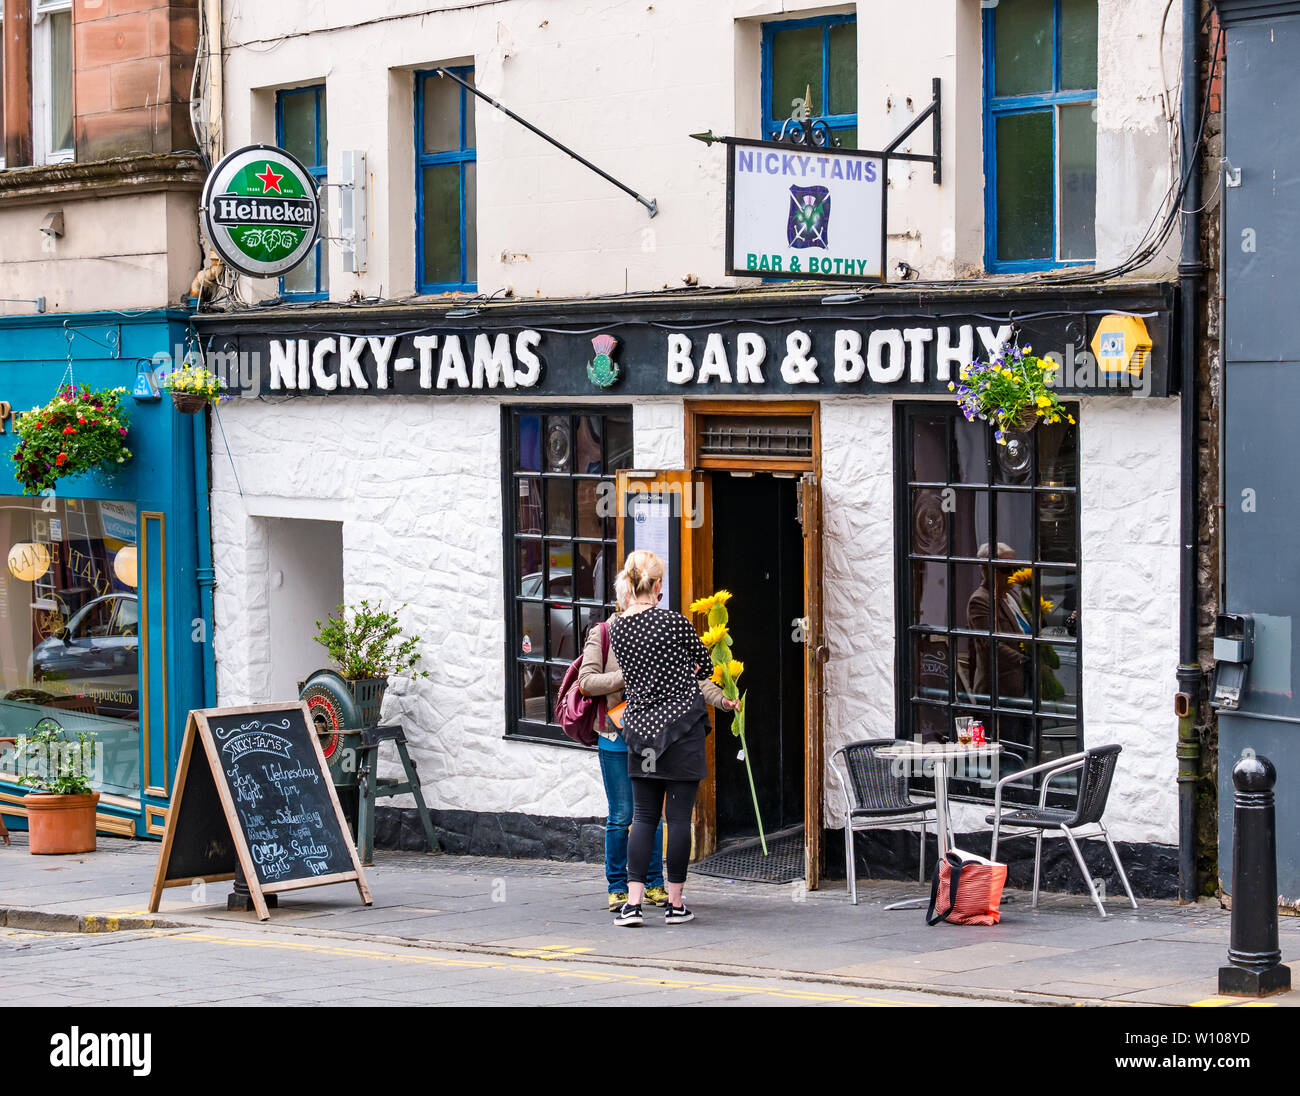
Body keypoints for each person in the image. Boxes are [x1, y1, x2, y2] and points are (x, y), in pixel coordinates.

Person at [607, 550, 736, 927]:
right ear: (658, 584)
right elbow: (704, 663)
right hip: (681, 729)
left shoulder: (617, 627)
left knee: (644, 818)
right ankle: (675, 904)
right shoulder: (674, 622)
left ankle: (632, 905)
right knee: (678, 819)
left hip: (641, 731)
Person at [577, 577, 670, 912]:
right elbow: (586, 682)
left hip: (649, 736)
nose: (654, 601)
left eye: (657, 596)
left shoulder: (657, 630)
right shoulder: (604, 632)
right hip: (615, 735)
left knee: (653, 815)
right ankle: (617, 886)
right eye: (650, 595)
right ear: (629, 597)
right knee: (621, 814)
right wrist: (625, 676)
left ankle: (655, 883)